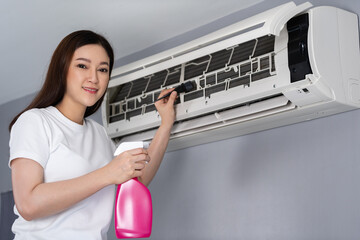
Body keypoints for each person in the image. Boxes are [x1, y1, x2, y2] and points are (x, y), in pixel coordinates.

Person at [8, 30, 177, 240]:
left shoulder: (100, 135)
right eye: (82, 66)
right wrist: (107, 173)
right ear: (62, 69)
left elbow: (138, 180)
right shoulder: (35, 121)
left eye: (103, 70)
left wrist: (166, 124)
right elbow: (28, 204)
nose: (94, 78)